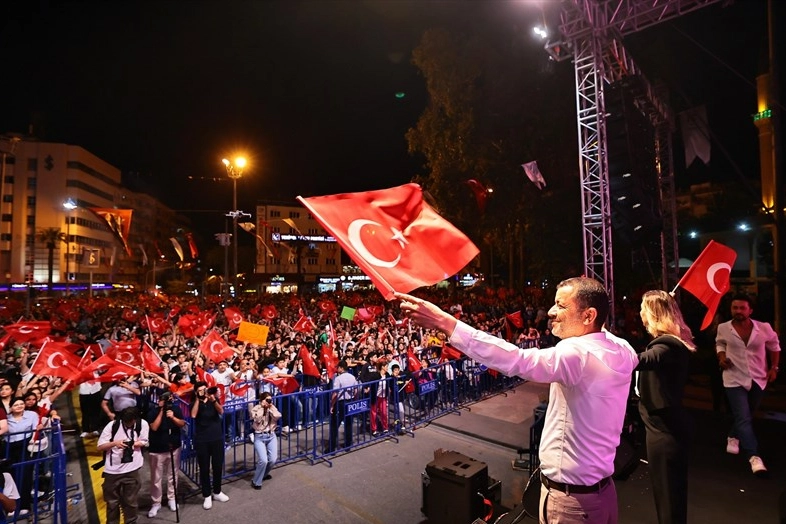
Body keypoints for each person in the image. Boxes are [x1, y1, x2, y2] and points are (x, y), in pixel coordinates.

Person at [397, 276, 639, 524]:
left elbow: (517, 360)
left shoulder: (576, 354)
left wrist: (446, 323)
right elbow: (604, 333)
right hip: (603, 496)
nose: (551, 312)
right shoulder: (623, 349)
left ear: (588, 316)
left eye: (561, 305)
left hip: (572, 505)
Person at [636, 290, 695, 524]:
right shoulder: (670, 343)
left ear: (653, 314)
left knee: (670, 500)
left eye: (643, 308)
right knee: (669, 497)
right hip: (665, 429)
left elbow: (644, 360)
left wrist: (609, 350)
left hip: (665, 432)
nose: (640, 313)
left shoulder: (667, 345)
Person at [716, 293, 781, 475]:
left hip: (758, 378)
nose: (738, 311)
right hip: (734, 378)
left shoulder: (764, 328)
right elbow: (720, 344)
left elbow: (775, 346)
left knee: (746, 414)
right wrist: (721, 357)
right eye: (735, 308)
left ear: (750, 310)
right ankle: (754, 457)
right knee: (744, 417)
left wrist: (774, 368)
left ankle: (733, 435)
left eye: (742, 308)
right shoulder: (723, 328)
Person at [96, 406, 150, 524]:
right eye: (125, 422)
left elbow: (144, 441)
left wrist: (132, 444)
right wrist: (115, 443)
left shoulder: (142, 424)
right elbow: (100, 446)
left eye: (130, 422)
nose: (127, 425)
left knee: (131, 502)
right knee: (112, 503)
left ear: (135, 419)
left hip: (132, 470)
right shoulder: (112, 426)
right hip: (112, 471)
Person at [191, 382, 230, 510]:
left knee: (218, 466)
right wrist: (198, 399)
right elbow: (193, 415)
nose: (204, 392)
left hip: (217, 437)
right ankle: (207, 495)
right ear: (196, 392)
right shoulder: (194, 402)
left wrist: (213, 400)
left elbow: (221, 411)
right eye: (200, 390)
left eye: (205, 389)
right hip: (202, 440)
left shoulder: (214, 399)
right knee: (204, 468)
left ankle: (217, 492)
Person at [146, 392, 185, 517]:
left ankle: (172, 498)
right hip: (157, 449)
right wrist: (162, 411)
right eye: (163, 400)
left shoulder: (176, 409)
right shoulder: (152, 411)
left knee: (173, 475)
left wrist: (172, 417)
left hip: (174, 447)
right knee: (156, 478)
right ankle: (156, 502)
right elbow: (154, 427)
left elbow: (182, 424)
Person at [248, 391, 281, 489]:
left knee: (273, 459)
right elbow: (257, 420)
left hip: (271, 435)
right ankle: (256, 481)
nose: (269, 402)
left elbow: (277, 416)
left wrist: (270, 408)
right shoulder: (256, 408)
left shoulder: (272, 407)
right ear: (262, 400)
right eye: (267, 400)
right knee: (263, 460)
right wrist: (262, 408)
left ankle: (264, 474)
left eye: (270, 400)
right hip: (259, 436)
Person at [327, 360, 358, 453]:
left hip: (340, 403)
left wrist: (331, 404)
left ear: (341, 368)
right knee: (348, 424)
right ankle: (348, 445)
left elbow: (335, 393)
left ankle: (332, 448)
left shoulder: (338, 379)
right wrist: (354, 399)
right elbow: (356, 390)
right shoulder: (352, 377)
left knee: (334, 425)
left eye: (338, 367)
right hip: (350, 401)